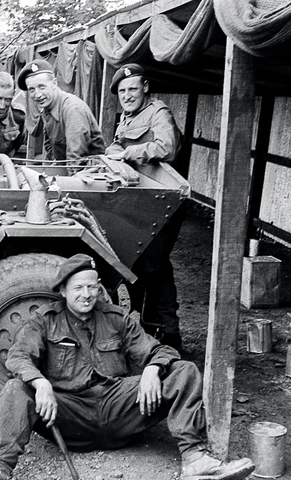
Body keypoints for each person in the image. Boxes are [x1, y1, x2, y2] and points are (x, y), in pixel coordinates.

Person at [0, 254, 255, 480]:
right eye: (78, 288)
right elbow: (18, 358)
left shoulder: (117, 318)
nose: (86, 294)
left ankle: (194, 458)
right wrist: (41, 383)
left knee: (183, 371)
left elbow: (159, 350)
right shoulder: (44, 321)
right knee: (15, 388)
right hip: (72, 416)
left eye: (92, 287)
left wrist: (151, 369)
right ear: (62, 290)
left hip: (120, 410)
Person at [105, 63, 185, 351]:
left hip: (165, 200)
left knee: (153, 266)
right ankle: (153, 330)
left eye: (132, 89)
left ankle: (167, 334)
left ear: (145, 87)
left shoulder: (158, 112)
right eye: (122, 91)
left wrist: (130, 152)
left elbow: (168, 148)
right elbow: (116, 147)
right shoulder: (128, 117)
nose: (127, 95)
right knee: (144, 264)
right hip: (143, 200)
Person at [17, 59, 105, 173]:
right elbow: (50, 154)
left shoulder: (72, 110)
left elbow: (76, 163)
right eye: (32, 90)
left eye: (42, 87)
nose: (37, 94)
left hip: (92, 178)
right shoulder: (48, 108)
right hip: (68, 172)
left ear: (54, 83)